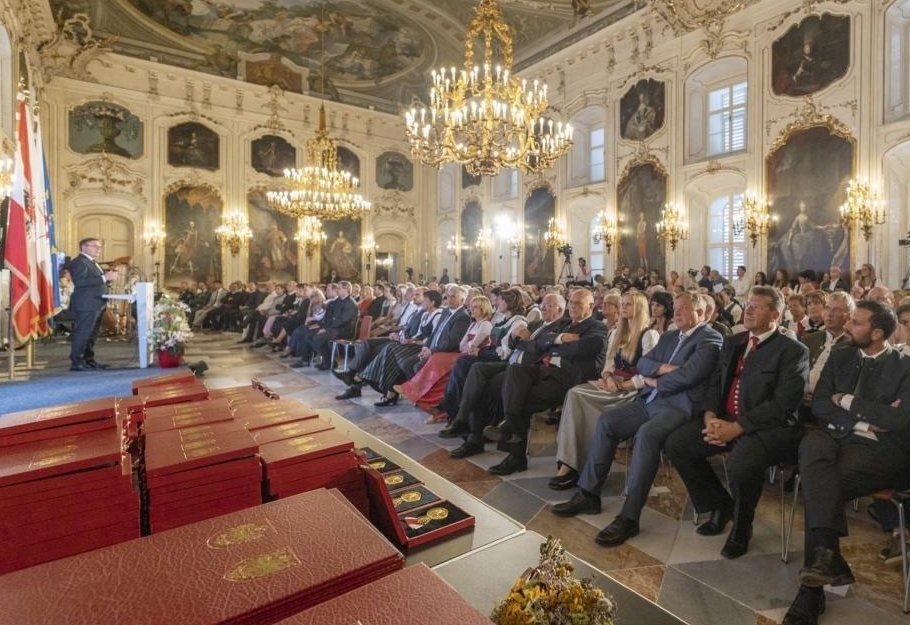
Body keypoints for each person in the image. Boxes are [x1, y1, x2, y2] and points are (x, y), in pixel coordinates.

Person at [550, 292, 722, 546]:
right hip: (651, 399)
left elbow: (690, 376)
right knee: (608, 422)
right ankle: (589, 494)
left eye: (683, 308)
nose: (676, 312)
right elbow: (643, 363)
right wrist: (661, 370)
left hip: (679, 407)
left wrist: (658, 378)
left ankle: (629, 517)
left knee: (647, 435)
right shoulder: (672, 335)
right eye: (675, 307)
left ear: (701, 313)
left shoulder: (711, 338)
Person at [782, 300, 910, 625]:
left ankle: (810, 594)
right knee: (811, 444)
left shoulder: (904, 365)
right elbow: (821, 404)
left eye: (856, 323)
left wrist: (848, 400)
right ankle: (827, 559)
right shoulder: (841, 356)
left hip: (881, 449)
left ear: (877, 332)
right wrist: (864, 418)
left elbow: (898, 420)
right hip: (836, 435)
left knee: (821, 483)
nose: (848, 327)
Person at [664, 286, 809, 559]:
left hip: (768, 429)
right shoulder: (734, 342)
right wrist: (710, 416)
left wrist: (737, 428)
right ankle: (721, 505)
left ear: (775, 314)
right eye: (747, 305)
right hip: (725, 420)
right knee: (678, 444)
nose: (748, 310)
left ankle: (742, 527)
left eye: (757, 307)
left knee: (741, 463)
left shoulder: (793, 351)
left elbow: (782, 405)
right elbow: (716, 384)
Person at [483, 289, 609, 475]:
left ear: (591, 306)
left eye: (578, 304)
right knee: (516, 371)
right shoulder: (565, 323)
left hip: (568, 378)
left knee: (520, 400)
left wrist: (554, 349)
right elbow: (541, 340)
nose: (573, 307)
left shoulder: (597, 327)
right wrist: (559, 339)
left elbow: (580, 350)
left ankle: (514, 451)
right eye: (571, 302)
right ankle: (510, 432)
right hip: (544, 371)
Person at [548, 290, 658, 489]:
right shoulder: (617, 331)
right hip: (611, 385)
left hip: (632, 392)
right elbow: (608, 364)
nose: (623, 307)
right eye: (622, 304)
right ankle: (568, 461)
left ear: (640, 308)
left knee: (580, 399)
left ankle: (574, 463)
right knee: (574, 394)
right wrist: (608, 378)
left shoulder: (649, 335)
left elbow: (649, 376)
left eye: (628, 304)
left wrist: (622, 385)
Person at [67, 238, 119, 371]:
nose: (98, 249)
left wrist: (108, 281)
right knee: (83, 333)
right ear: (83, 248)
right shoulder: (79, 262)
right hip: (86, 303)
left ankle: (88, 359)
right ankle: (77, 362)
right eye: (95, 246)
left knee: (92, 334)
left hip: (97, 303)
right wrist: (104, 278)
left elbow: (95, 281)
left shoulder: (92, 262)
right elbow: (80, 282)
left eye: (100, 247)